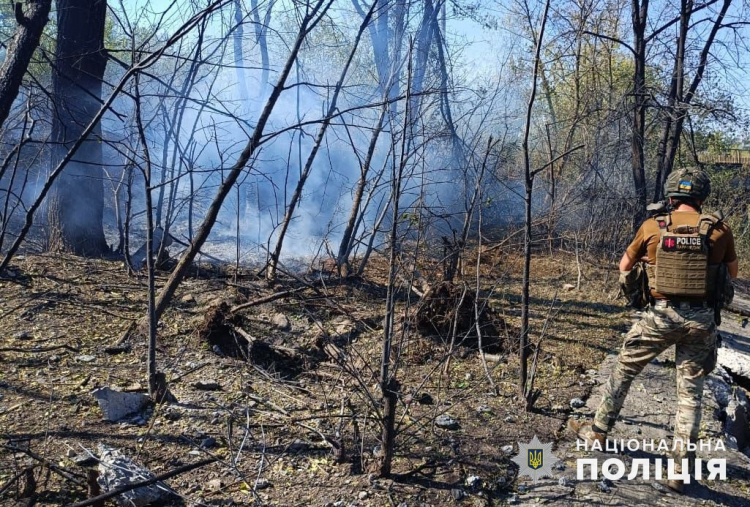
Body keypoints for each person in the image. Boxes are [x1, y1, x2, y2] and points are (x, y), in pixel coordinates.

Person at [570, 167, 738, 493]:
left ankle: (599, 431)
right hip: (701, 321)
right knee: (690, 395)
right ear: (702, 198)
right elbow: (732, 272)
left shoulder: (652, 226)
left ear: (672, 197)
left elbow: (624, 267)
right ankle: (678, 470)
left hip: (660, 318)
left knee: (624, 369)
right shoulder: (720, 230)